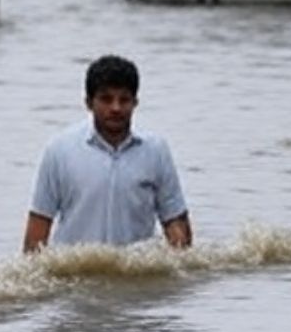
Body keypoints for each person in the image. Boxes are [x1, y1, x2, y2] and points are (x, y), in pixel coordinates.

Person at [23, 55, 191, 252]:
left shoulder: (156, 152)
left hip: (136, 270)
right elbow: (38, 228)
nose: (116, 108)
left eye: (124, 100)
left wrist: (181, 264)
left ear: (135, 102)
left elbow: (176, 223)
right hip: (76, 270)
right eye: (106, 99)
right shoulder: (59, 151)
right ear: (88, 102)